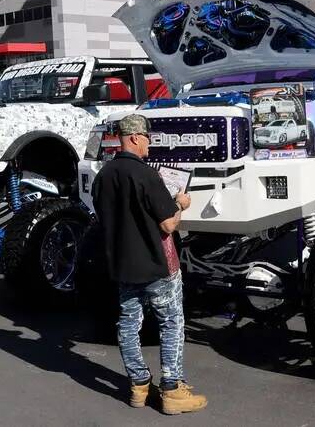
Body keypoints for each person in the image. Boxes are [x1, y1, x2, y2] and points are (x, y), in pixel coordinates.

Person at [90, 113, 206, 415]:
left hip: (124, 266)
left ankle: (139, 385)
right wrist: (180, 205)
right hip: (157, 264)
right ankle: (172, 389)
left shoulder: (104, 175)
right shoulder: (146, 175)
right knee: (171, 323)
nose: (150, 144)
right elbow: (168, 225)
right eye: (147, 138)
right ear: (135, 138)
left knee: (128, 325)